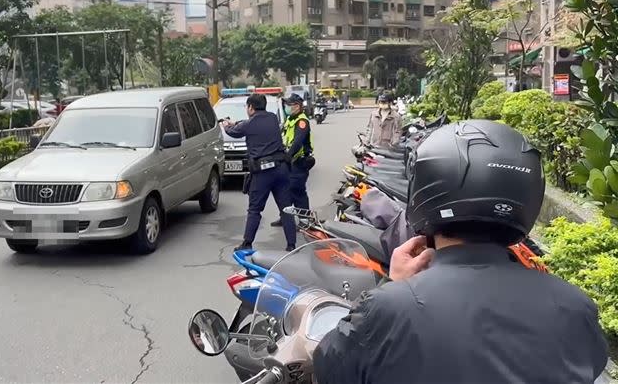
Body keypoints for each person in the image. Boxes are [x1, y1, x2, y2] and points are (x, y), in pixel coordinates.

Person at [313, 120, 608, 384]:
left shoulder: (390, 309)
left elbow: (329, 370)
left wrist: (394, 286)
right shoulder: (576, 306)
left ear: (427, 190)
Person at [223, 94, 298, 252]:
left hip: (263, 172)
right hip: (281, 169)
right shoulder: (272, 118)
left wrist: (225, 125)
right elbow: (247, 124)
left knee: (255, 209)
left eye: (247, 107)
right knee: (286, 208)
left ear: (250, 107)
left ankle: (247, 243)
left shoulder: (249, 124)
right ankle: (291, 245)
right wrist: (235, 123)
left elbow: (234, 132)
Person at [271, 94, 314, 228]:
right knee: (285, 190)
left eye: (289, 105)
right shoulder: (290, 119)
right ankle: (285, 217)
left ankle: (305, 221)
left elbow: (298, 142)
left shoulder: (302, 121)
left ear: (296, 106)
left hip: (299, 161)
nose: (286, 107)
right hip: (289, 162)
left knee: (297, 190)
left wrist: (288, 155)